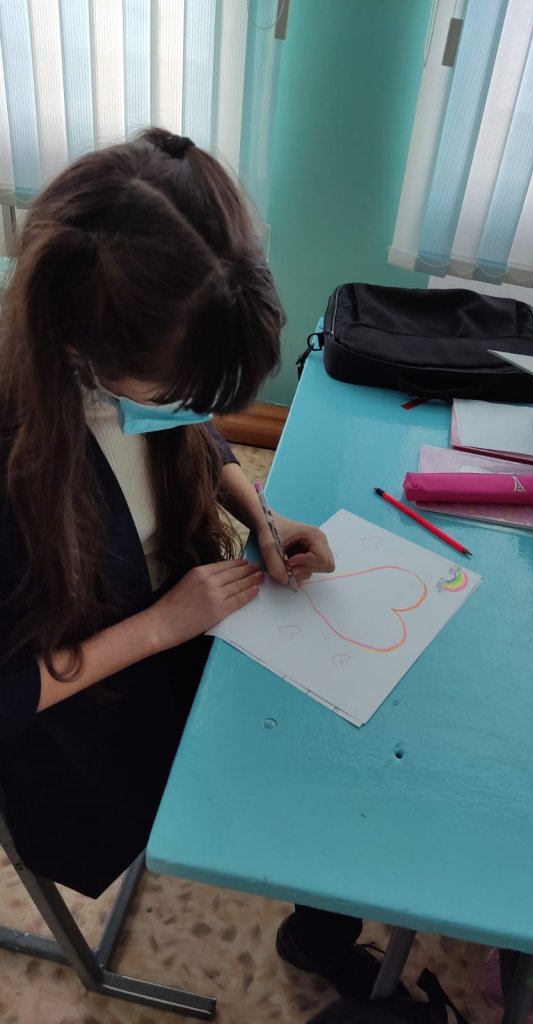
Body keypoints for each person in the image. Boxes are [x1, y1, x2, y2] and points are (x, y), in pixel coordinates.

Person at [0, 128, 378, 998]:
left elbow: (193, 429)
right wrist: (159, 628)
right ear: (78, 346)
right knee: (264, 768)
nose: (196, 410)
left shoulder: (136, 362)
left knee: (317, 732)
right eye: (177, 393)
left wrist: (261, 512)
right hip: (84, 713)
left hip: (174, 617)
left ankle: (318, 929)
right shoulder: (20, 460)